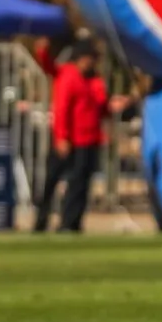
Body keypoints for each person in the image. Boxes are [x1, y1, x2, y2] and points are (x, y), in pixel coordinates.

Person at [35, 40, 129, 232]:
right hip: (67, 139)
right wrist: (61, 137)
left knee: (80, 184)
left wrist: (115, 106)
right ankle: (41, 222)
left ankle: (70, 223)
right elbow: (61, 106)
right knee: (51, 181)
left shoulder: (95, 81)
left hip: (88, 140)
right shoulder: (66, 74)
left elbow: (101, 108)